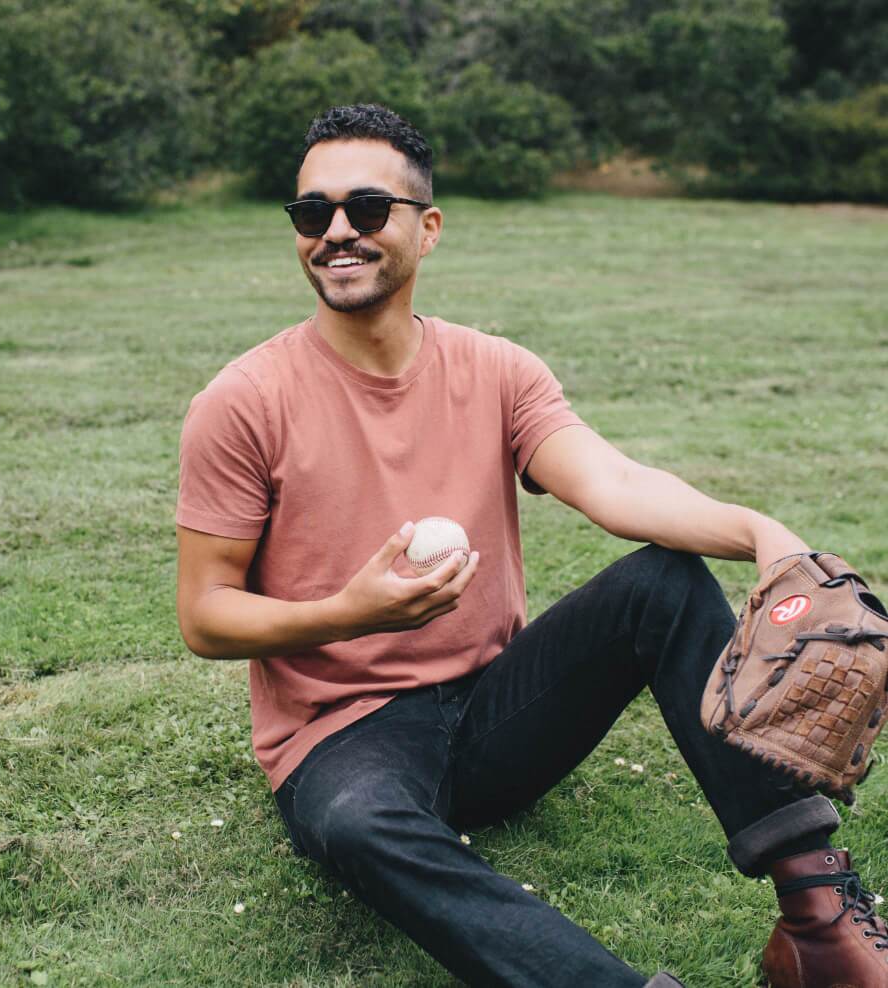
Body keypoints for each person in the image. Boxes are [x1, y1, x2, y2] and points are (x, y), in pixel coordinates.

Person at [174, 104, 887, 987]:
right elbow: (205, 615)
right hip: (343, 737)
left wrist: (763, 536)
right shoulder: (242, 401)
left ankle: (818, 925)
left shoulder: (498, 371)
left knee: (663, 584)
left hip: (493, 710)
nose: (337, 233)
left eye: (365, 208)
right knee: (360, 827)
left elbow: (615, 485)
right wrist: (347, 613)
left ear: (426, 228)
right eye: (311, 214)